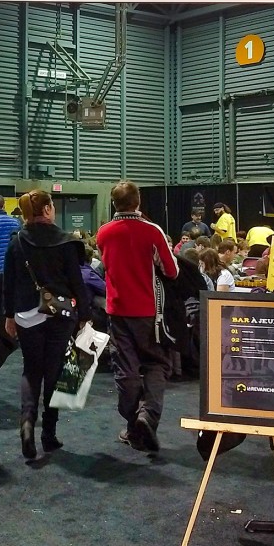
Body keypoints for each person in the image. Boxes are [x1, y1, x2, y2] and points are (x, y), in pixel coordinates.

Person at [2, 190, 89, 459]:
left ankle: (27, 422)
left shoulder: (16, 242)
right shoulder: (67, 241)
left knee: (31, 370)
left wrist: (9, 315)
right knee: (55, 372)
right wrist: (85, 315)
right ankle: (49, 434)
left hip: (27, 313)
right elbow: (77, 282)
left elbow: (8, 282)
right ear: (49, 209)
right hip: (60, 313)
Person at [96, 180, 178, 453]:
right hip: (148, 313)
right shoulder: (152, 231)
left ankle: (133, 423)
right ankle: (148, 416)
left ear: (114, 203)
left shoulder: (104, 232)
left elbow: (105, 265)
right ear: (138, 201)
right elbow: (172, 270)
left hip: (117, 311)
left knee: (126, 367)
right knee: (157, 363)